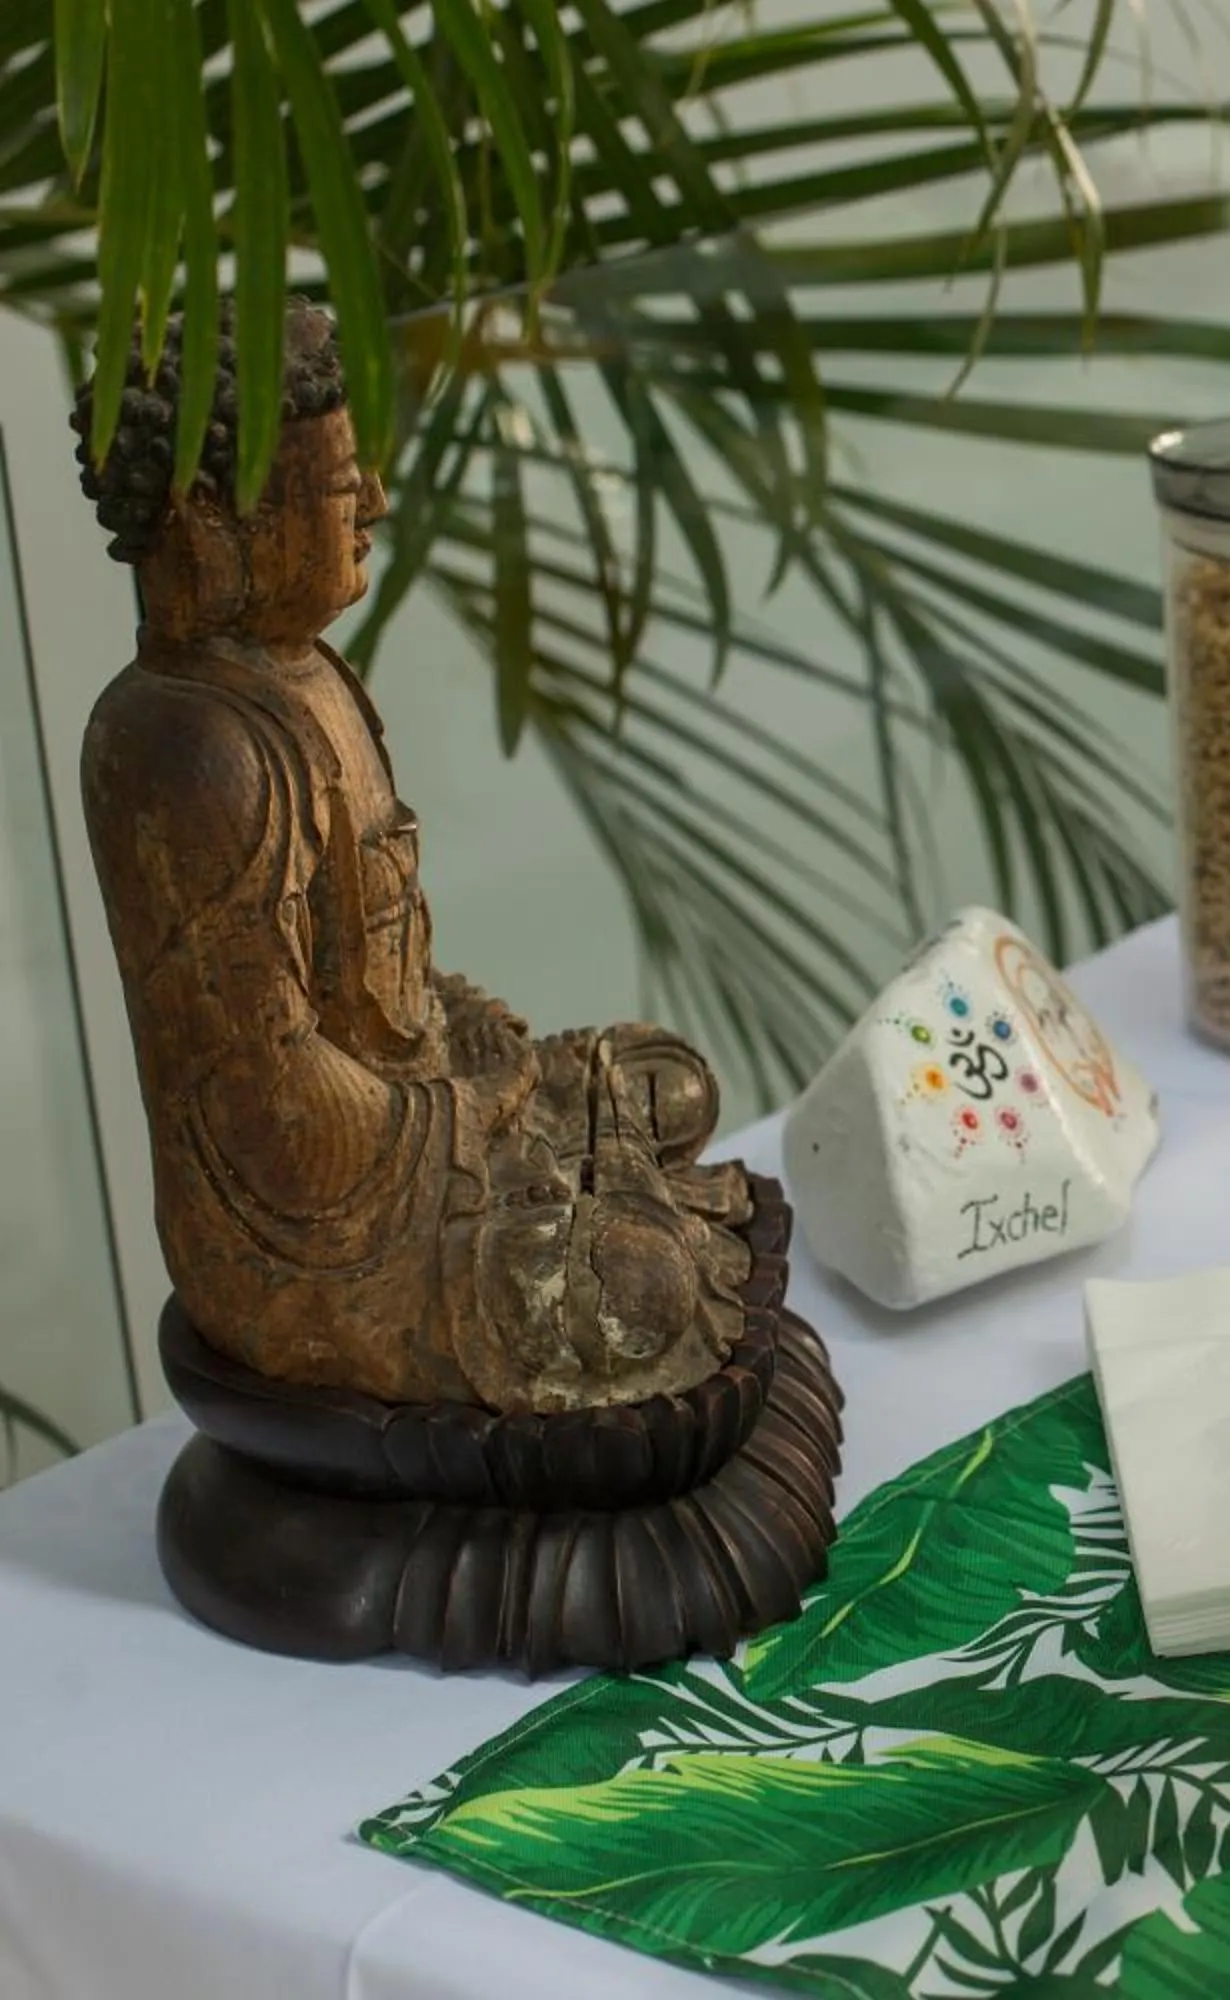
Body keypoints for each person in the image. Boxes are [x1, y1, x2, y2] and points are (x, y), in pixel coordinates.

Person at [74, 302, 750, 1413]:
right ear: (214, 516)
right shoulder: (184, 746)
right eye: (342, 486)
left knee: (666, 1083)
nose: (376, 503)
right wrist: (469, 1115)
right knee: (641, 1280)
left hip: (422, 1120)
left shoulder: (315, 680)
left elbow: (372, 969)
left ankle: (562, 1197)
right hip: (323, 1243)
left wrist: (463, 1024)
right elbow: (263, 1102)